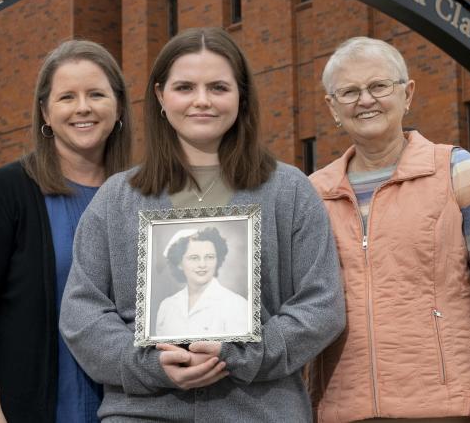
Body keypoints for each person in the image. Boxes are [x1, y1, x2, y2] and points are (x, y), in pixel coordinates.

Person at [60, 27, 345, 421]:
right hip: (142, 414)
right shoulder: (117, 198)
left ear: (241, 95)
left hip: (260, 412)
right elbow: (82, 311)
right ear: (160, 96)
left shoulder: (289, 191)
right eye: (185, 88)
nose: (202, 101)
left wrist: (245, 354)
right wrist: (148, 365)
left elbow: (322, 304)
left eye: (218, 87)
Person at [307, 37, 470, 423]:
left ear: (407, 94)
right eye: (350, 92)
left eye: (378, 87)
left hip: (445, 408)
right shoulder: (311, 193)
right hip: (341, 409)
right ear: (332, 107)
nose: (365, 100)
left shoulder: (454, 169)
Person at [0, 39, 132, 423]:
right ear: (45, 112)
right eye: (67, 97)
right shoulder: (6, 191)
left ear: (118, 108)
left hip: (133, 409)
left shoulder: (144, 196)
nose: (83, 107)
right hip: (33, 409)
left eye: (96, 94)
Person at [155, 227, 249, 337]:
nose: (202, 264)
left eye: (209, 257)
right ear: (179, 263)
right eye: (194, 258)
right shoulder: (167, 307)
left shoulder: (235, 304)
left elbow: (241, 352)